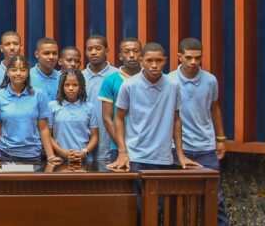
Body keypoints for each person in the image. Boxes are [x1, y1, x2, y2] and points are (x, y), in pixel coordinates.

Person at [169, 37, 237, 226]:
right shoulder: (169, 81)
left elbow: (214, 107)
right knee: (174, 204)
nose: (193, 62)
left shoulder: (210, 80)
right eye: (188, 57)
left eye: (198, 57)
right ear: (179, 57)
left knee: (215, 203)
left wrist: (220, 137)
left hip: (206, 148)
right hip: (178, 149)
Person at [108, 43, 200, 172]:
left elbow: (176, 119)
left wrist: (180, 155)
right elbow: (118, 118)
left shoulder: (173, 85)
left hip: (164, 157)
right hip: (135, 157)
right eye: (149, 60)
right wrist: (122, 152)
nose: (154, 65)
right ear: (141, 61)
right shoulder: (129, 85)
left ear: (165, 61)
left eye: (159, 60)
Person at [0, 56, 56, 164]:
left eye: (23, 70)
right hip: (6, 155)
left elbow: (43, 128)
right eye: (13, 70)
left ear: (28, 73)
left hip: (32, 155)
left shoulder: (39, 95)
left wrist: (51, 156)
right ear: (7, 72)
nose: (18, 73)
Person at [98, 38, 143, 163]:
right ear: (120, 55)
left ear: (142, 54)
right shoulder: (110, 80)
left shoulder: (150, 78)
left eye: (136, 51)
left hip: (147, 147)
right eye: (127, 51)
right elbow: (107, 118)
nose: (132, 55)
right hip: (118, 147)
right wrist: (122, 145)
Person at [48, 69, 99, 164]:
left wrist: (84, 152)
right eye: (67, 85)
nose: (71, 88)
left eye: (75, 85)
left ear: (81, 86)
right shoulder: (52, 106)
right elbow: (48, 136)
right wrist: (63, 153)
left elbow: (95, 136)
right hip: (60, 160)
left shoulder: (89, 107)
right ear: (61, 86)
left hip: (84, 161)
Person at [82, 35, 117, 154]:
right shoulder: (78, 78)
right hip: (83, 144)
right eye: (89, 49)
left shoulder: (117, 75)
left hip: (112, 144)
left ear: (106, 51)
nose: (93, 52)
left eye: (98, 48)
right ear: (85, 52)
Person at [29, 38, 61, 102]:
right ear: (37, 54)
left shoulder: (62, 78)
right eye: (46, 53)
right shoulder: (27, 77)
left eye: (54, 53)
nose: (51, 57)